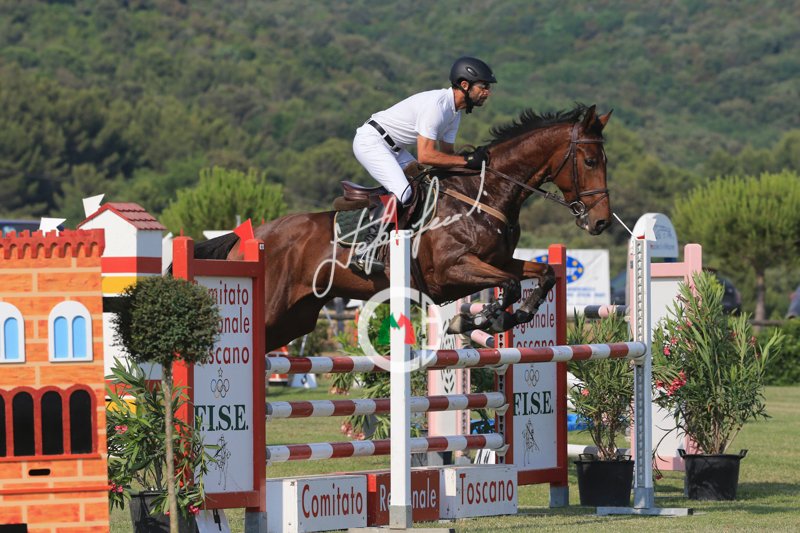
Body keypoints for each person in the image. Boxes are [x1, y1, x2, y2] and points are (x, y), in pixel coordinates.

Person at [350, 56, 497, 273]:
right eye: (483, 87)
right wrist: (467, 161)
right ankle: (365, 251)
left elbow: (447, 155)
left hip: (394, 148)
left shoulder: (454, 114)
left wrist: (472, 164)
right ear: (465, 85)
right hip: (371, 142)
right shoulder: (437, 107)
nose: (487, 92)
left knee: (427, 185)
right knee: (404, 192)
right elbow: (426, 156)